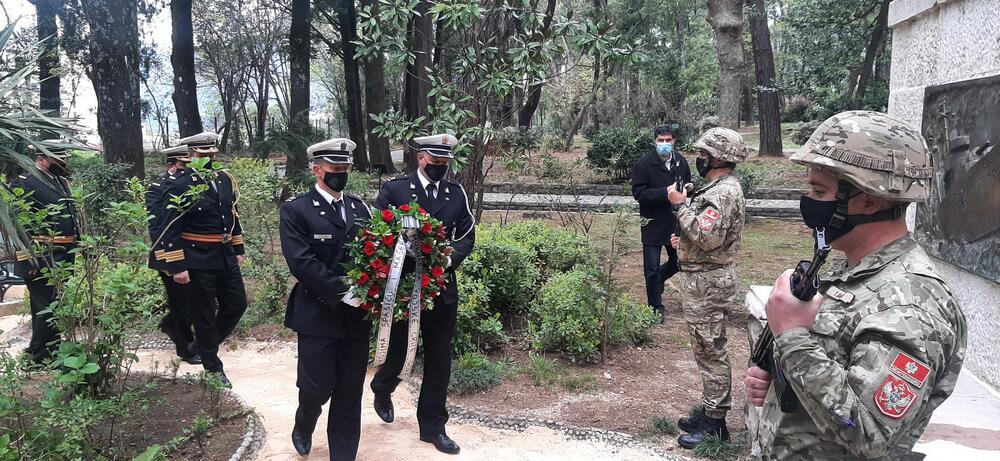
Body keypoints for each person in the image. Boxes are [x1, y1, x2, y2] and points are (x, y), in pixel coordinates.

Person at [743, 110, 967, 460]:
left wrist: (791, 337)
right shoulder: (854, 271)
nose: (809, 201)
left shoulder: (910, 306)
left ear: (869, 199)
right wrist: (775, 365)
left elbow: (869, 432)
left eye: (819, 190)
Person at [368, 133, 476, 455]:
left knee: (439, 360)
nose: (441, 166)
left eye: (445, 161)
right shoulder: (396, 190)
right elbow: (376, 231)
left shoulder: (456, 194)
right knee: (401, 352)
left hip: (441, 289)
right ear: (421, 158)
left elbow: (467, 235)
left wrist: (447, 258)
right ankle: (383, 386)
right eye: (435, 160)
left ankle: (433, 427)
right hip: (403, 289)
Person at [280, 138, 373, 460]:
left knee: (350, 391)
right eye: (335, 168)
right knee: (316, 388)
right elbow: (301, 262)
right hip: (318, 314)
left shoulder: (362, 209)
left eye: (345, 167)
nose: (341, 173)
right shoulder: (297, 210)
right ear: (317, 170)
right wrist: (343, 291)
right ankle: (305, 421)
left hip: (357, 317)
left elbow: (377, 255)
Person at [667, 127, 748, 449]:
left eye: (703, 154)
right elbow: (704, 235)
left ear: (718, 158)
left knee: (711, 350)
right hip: (705, 276)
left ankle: (716, 424)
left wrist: (679, 207)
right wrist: (682, 241)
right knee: (706, 349)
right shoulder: (719, 188)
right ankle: (711, 410)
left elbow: (708, 236)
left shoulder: (723, 193)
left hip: (708, 282)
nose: (698, 159)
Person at [159, 131, 247, 387]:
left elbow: (233, 214)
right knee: (205, 314)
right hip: (197, 257)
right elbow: (170, 227)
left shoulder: (224, 178)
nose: (208, 159)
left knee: (237, 304)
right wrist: (177, 265)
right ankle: (212, 367)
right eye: (202, 155)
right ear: (190, 155)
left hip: (225, 255)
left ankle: (202, 345)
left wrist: (238, 248)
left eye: (211, 154)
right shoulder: (179, 183)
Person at [12, 140, 80, 365]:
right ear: (41, 159)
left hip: (63, 255)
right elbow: (18, 226)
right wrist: (27, 258)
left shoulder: (59, 181)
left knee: (54, 305)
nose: (63, 164)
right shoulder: (26, 183)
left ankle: (50, 350)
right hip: (40, 257)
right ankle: (38, 356)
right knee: (46, 307)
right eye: (57, 160)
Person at [631, 125, 692, 322]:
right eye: (660, 140)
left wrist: (689, 188)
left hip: (675, 221)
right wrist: (666, 191)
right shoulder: (644, 164)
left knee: (679, 261)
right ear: (654, 141)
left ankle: (660, 280)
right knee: (650, 268)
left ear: (674, 141)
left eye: (668, 140)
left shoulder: (680, 161)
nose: (664, 144)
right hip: (652, 222)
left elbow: (687, 183)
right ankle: (655, 307)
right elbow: (639, 194)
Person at [146, 144, 200, 365]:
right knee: (181, 302)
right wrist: (170, 261)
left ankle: (171, 325)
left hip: (194, 254)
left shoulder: (192, 186)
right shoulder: (158, 188)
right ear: (171, 165)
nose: (188, 169)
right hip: (170, 255)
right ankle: (186, 348)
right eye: (183, 165)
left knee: (194, 300)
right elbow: (158, 228)